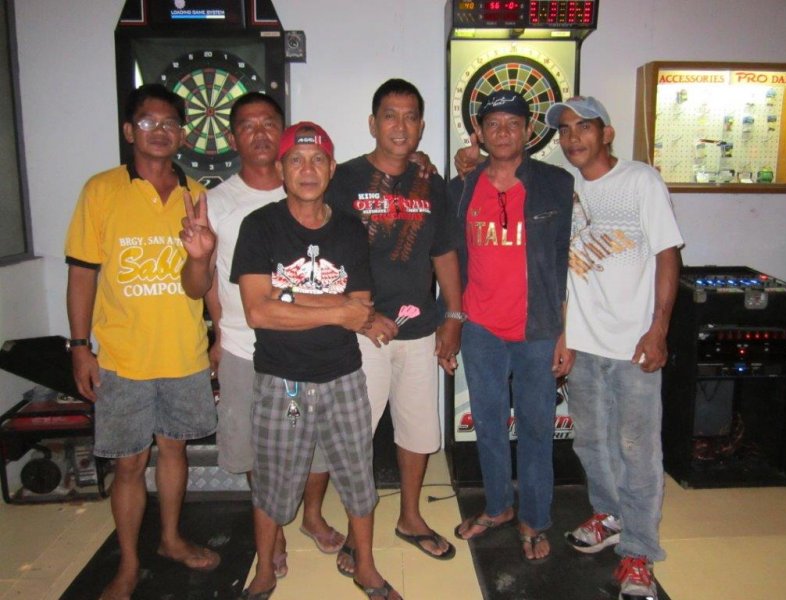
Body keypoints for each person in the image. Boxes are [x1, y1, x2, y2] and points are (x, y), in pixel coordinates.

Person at [184, 121, 401, 599]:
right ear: (281, 169)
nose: (307, 169)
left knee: (358, 479)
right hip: (282, 382)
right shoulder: (260, 226)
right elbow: (258, 313)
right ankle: (264, 570)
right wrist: (335, 309)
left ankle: (366, 567)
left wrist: (288, 296)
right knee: (272, 485)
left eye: (318, 159)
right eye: (296, 160)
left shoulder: (349, 228)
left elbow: (360, 307)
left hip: (344, 377)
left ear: (331, 168)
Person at [180, 92, 345, 579]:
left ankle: (312, 515)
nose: (259, 133)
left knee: (316, 442)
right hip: (242, 347)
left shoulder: (311, 187)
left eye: (269, 123)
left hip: (309, 345)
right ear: (233, 138)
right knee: (255, 446)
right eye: (247, 126)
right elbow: (201, 285)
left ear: (284, 132)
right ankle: (272, 533)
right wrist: (199, 268)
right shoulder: (216, 203)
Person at [65, 83, 219, 600]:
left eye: (171, 123)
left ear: (183, 134)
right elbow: (82, 274)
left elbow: (199, 287)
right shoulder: (101, 190)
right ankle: (128, 564)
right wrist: (79, 346)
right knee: (128, 463)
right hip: (121, 357)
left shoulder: (196, 195)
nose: (160, 131)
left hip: (183, 353)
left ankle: (171, 540)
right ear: (130, 131)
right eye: (149, 122)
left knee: (174, 451)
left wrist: (201, 261)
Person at [544, 96, 683, 600]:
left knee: (637, 449)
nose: (572, 137)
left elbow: (668, 255)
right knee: (591, 442)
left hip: (633, 346)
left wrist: (658, 329)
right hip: (584, 343)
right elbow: (565, 273)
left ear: (607, 133)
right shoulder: (566, 190)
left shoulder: (640, 181)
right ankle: (609, 514)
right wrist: (564, 335)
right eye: (564, 129)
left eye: (584, 126)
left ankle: (640, 551)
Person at [326, 78, 462, 571]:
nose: (400, 126)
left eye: (410, 117)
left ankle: (410, 517)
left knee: (418, 430)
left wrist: (454, 315)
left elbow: (444, 252)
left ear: (421, 127)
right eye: (390, 115)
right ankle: (356, 527)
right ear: (372, 123)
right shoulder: (342, 179)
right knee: (355, 435)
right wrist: (357, 315)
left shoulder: (431, 184)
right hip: (363, 331)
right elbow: (324, 253)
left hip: (419, 327)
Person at [449, 90, 573, 561]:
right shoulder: (461, 187)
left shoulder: (556, 184)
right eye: (493, 124)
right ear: (479, 133)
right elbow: (449, 258)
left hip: (537, 328)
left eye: (512, 123)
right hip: (480, 327)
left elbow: (568, 262)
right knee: (488, 425)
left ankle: (535, 518)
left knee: (538, 429)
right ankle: (498, 506)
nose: (503, 132)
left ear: (528, 131)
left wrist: (566, 332)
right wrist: (451, 321)